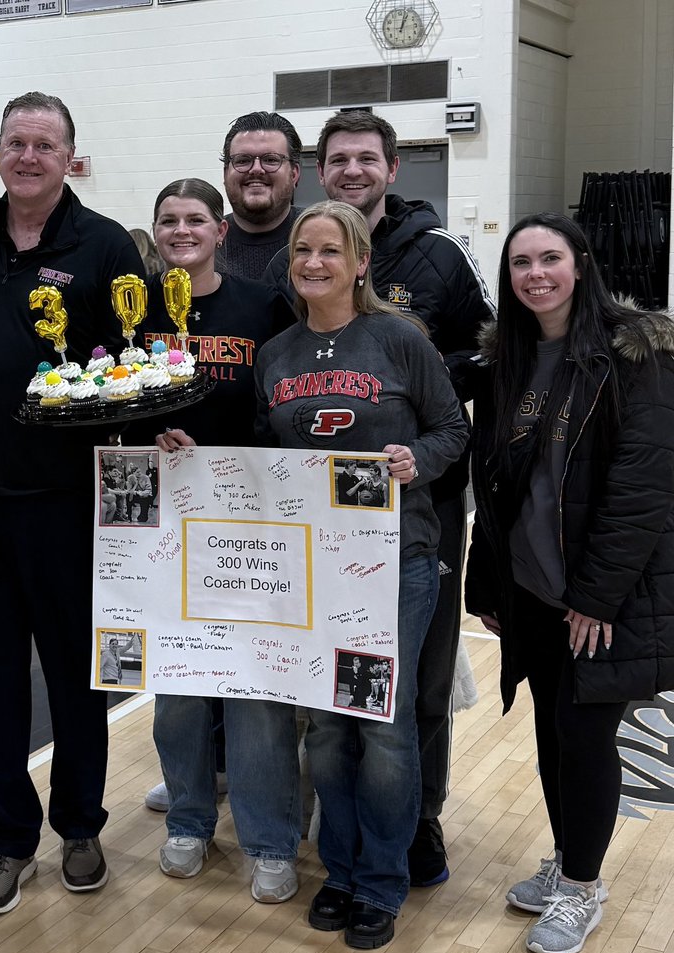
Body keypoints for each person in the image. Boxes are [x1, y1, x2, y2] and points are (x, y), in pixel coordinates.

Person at [0, 91, 144, 916]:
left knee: (79, 677)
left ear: (69, 158)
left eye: (44, 144)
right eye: (15, 142)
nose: (27, 156)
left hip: (67, 504)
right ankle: (8, 840)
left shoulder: (106, 244)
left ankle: (80, 826)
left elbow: (134, 365)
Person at [265, 108, 495, 888]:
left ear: (360, 261)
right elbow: (264, 456)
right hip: (313, 563)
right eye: (305, 250)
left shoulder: (403, 332)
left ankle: (390, 870)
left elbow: (451, 430)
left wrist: (414, 460)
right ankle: (339, 866)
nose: (317, 260)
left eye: (332, 250)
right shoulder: (276, 355)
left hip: (400, 554)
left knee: (392, 719)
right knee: (327, 726)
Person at [465, 212, 674, 953]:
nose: (535, 275)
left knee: (585, 738)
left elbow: (644, 487)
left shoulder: (634, 355)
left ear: (580, 264)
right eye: (520, 263)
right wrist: (485, 584)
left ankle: (583, 887)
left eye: (549, 258)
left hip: (600, 597)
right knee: (553, 734)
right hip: (532, 590)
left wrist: (597, 594)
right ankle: (565, 862)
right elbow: (494, 488)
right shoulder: (508, 362)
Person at [134, 177, 302, 903]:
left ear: (220, 230)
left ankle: (269, 839)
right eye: (168, 220)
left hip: (248, 521)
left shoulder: (260, 305)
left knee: (255, 686)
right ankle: (190, 821)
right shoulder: (133, 308)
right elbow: (108, 393)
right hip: (163, 522)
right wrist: (147, 437)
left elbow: (281, 401)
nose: (181, 230)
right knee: (177, 686)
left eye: (194, 219)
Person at [217, 111, 303, 281]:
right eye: (242, 160)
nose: (256, 169)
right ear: (226, 174)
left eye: (271, 159)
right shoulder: (205, 245)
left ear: (294, 174)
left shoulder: (326, 237)